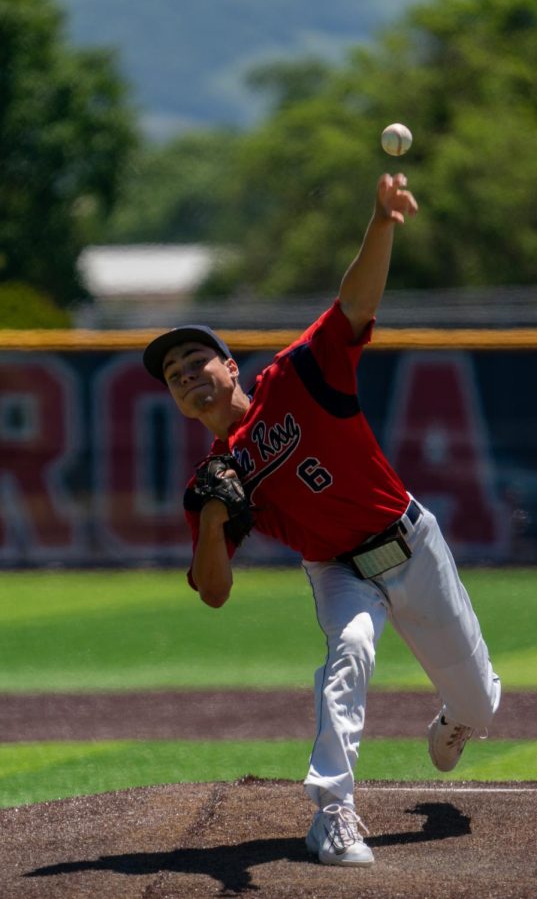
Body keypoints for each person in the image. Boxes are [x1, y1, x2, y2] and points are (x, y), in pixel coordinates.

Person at [142, 172, 501, 868]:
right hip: (337, 571)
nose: (186, 376)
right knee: (350, 654)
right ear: (176, 400)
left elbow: (355, 302)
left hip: (410, 540)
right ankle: (333, 814)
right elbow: (213, 592)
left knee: (481, 706)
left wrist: (382, 222)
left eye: (194, 361)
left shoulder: (299, 376)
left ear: (228, 366)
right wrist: (214, 520)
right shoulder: (213, 481)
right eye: (173, 376)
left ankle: (459, 717)